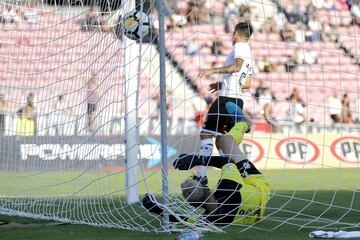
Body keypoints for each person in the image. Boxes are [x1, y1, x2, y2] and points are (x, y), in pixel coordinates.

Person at [143, 130, 270, 225]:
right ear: (206, 187)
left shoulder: (210, 219)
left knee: (220, 142)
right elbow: (227, 162)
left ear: (194, 205)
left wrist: (157, 208)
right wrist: (197, 160)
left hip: (255, 214)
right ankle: (243, 123)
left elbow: (183, 219)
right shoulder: (228, 189)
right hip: (257, 185)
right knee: (225, 140)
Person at [194, 21, 254, 184]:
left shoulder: (240, 47)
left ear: (236, 33)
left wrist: (212, 70)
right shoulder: (250, 54)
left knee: (206, 133)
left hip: (226, 100)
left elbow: (236, 67)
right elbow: (247, 84)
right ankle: (234, 177)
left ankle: (201, 175)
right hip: (238, 101)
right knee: (223, 140)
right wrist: (224, 83)